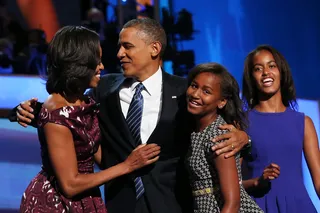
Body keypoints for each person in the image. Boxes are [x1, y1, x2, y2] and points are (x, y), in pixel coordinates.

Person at [11, 18, 250, 213]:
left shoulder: (186, 91)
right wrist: (23, 109)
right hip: (119, 204)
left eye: (127, 46)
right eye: (118, 46)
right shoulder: (103, 89)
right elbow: (66, 111)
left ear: (154, 48)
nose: (119, 54)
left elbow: (222, 119)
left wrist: (244, 138)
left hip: (172, 204)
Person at [19, 25, 160, 212]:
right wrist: (128, 165)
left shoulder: (85, 101)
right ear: (79, 64)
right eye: (96, 61)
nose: (102, 66)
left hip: (87, 197)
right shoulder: (56, 116)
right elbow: (70, 185)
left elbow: (99, 156)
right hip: (57, 204)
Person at [241, 45, 320, 212]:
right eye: (258, 68)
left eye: (272, 66)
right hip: (260, 207)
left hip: (298, 207)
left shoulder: (303, 122)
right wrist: (258, 181)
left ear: (281, 71)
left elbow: (319, 181)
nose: (266, 73)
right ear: (251, 78)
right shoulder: (242, 123)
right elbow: (230, 184)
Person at [184, 63, 263, 213]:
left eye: (206, 91)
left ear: (222, 102)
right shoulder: (197, 131)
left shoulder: (219, 136)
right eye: (194, 86)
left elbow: (232, 203)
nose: (195, 94)